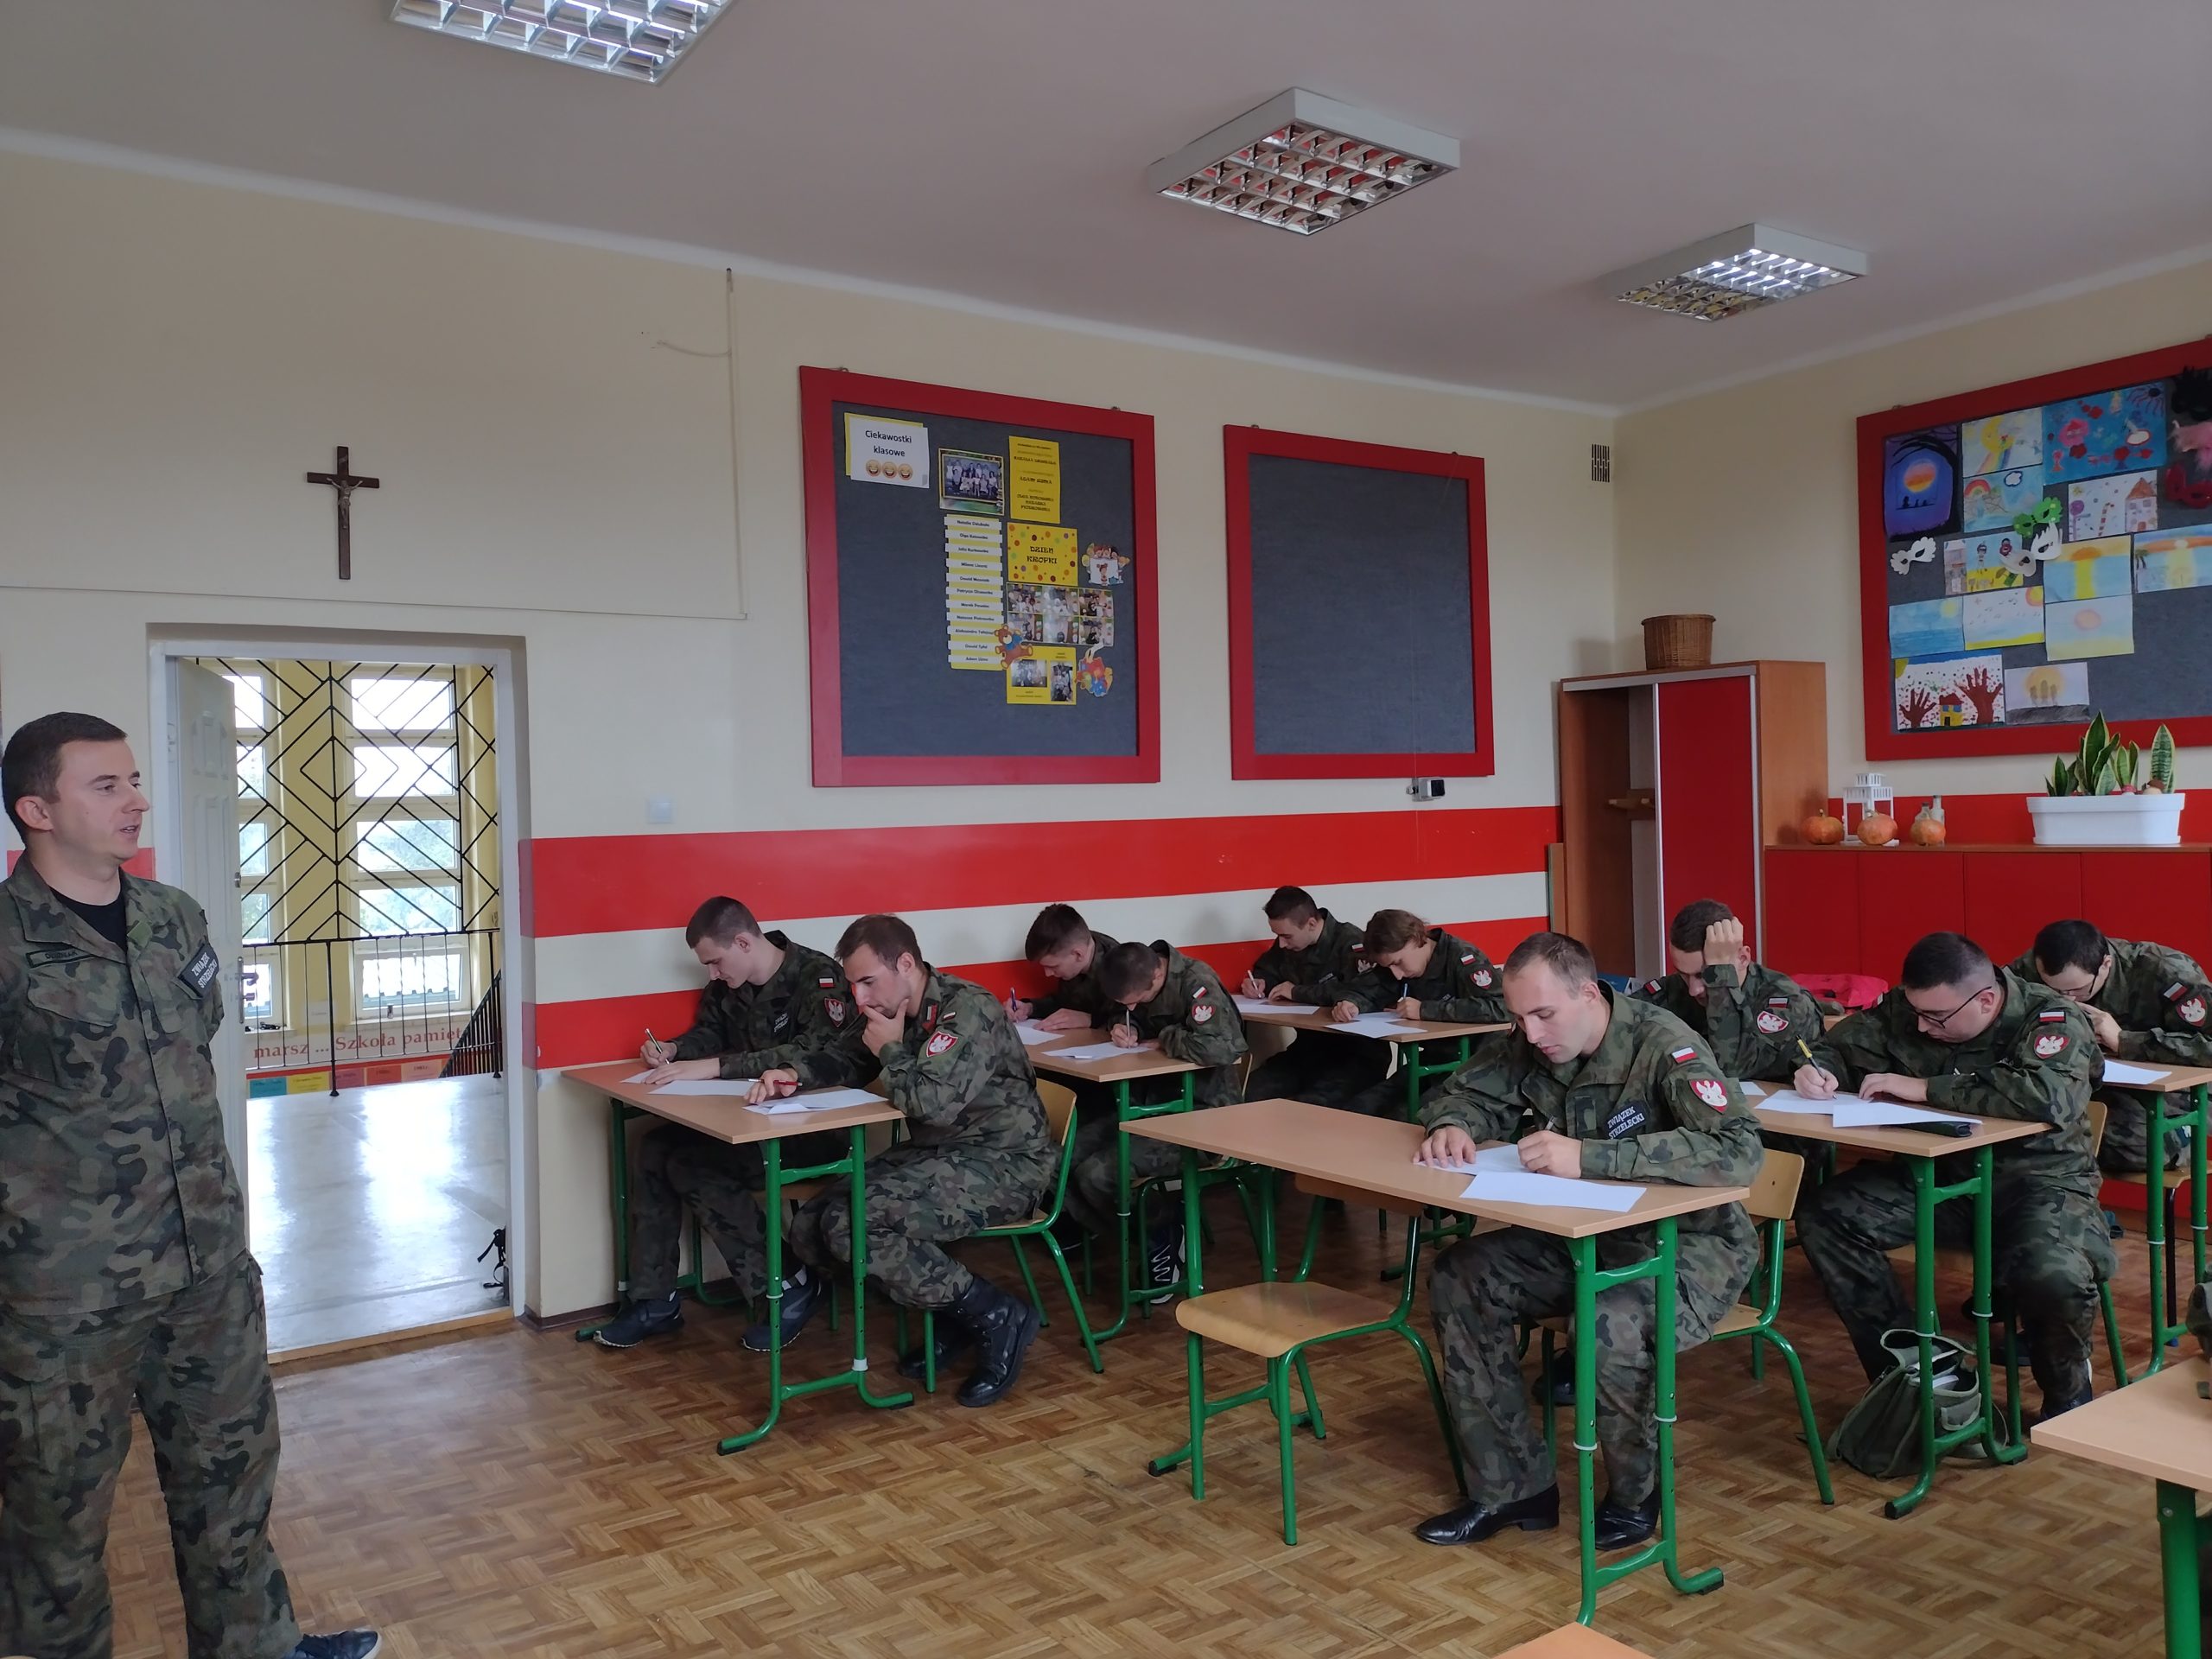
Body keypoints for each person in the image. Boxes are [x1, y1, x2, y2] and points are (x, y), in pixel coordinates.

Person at [0, 712, 378, 1659]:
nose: (136, 800)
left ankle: (259, 1647)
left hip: (207, 1269)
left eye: (134, 780)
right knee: (54, 1528)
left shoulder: (174, 918)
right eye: (107, 786)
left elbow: (192, 1047)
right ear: (37, 810)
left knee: (233, 1485)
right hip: (66, 1298)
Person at [1411, 931, 1761, 1551]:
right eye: (1520, 1017)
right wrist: (1453, 1124)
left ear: (1589, 994)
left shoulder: (1664, 1045)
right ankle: (1512, 1488)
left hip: (1687, 1247)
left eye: (1544, 1014)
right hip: (1583, 1234)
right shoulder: (1535, 1038)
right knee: (1461, 1274)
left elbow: (1738, 1152)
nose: (1531, 1031)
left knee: (1607, 1322)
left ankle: (1635, 1495)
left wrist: (1591, 1157)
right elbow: (1463, 1092)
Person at [1793, 931, 2113, 1418]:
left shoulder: (2051, 1018)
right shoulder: (1915, 1008)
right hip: (1942, 1178)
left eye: (1937, 1018)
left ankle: (2067, 1393)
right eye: (1917, 1013)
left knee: (2052, 1272)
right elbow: (1836, 1045)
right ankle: (1919, 1375)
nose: (1922, 1026)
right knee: (1828, 1215)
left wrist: (1925, 1088)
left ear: (1985, 1000)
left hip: (2041, 1183)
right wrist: (1818, 1069)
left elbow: (2048, 1097)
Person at [754, 914, 1056, 1408]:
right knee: (812, 1223)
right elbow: (848, 1057)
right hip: (942, 1153)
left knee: (854, 1224)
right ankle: (953, 1312)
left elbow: (932, 1104)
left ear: (907, 965)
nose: (860, 998)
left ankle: (996, 1314)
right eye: (853, 985)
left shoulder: (968, 1010)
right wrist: (793, 1074)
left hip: (1006, 1163)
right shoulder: (892, 1007)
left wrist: (893, 1051)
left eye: (868, 982)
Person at [592, 897, 867, 1351]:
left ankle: (787, 1284)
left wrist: (716, 1067)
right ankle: (654, 1300)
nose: (713, 973)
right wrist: (675, 1050)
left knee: (693, 1164)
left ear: (743, 942)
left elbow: (814, 1053)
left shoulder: (817, 976)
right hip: (750, 1120)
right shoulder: (728, 983)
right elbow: (711, 1032)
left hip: (811, 1130)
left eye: (715, 961)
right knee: (655, 1148)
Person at [1062, 939, 1249, 1287]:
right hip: (1152, 1106)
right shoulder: (1132, 975)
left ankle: (1161, 1233)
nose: (1132, 1006)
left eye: (1137, 1000)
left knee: (1098, 1174)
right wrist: (1123, 1026)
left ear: (1158, 975)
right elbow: (1121, 1011)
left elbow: (1223, 1047)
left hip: (1205, 1115)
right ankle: (1147, 1236)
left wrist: (1166, 1036)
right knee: (1062, 1161)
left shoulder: (1195, 982)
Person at [2011, 918, 2212, 1173]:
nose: (2066, 1000)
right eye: (2053, 991)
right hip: (2079, 1086)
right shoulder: (2033, 966)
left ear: (2106, 964)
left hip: (2173, 1096)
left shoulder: (2164, 972)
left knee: (2127, 1142)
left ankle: (2181, 1136)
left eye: (2076, 990)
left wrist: (2125, 1040)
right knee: (2026, 1129)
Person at [1329, 909, 1508, 1117]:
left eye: (1398, 963)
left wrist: (1425, 1010)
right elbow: (1365, 987)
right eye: (1389, 966)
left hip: (1473, 1065)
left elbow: (1501, 1007)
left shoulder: (1462, 957)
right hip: (1432, 1060)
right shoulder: (1396, 960)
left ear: (1415, 939)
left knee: (1405, 1117)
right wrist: (1350, 1002)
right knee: (1360, 1108)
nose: (1396, 975)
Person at [1635, 899, 1824, 1082]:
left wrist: (1720, 975)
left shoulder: (1785, 1001)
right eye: (1683, 974)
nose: (1693, 989)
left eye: (1704, 975)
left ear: (1742, 959)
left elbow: (1731, 1069)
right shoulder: (1672, 991)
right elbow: (1623, 1022)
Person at [1239, 886, 1388, 1109]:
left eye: (1286, 936)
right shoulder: (1289, 943)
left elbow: (1357, 990)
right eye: (1278, 936)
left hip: (1356, 1054)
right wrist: (1259, 982)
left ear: (1310, 924)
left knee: (1311, 1106)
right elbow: (1268, 968)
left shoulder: (1352, 943)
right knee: (1249, 1091)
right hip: (1308, 1050)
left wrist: (1296, 992)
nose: (1281, 943)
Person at [1005, 903, 1120, 1033]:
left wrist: (1090, 1020)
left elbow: (1132, 1019)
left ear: (1078, 954)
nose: (1048, 974)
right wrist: (1030, 1008)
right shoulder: (1069, 946)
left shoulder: (1120, 966)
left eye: (1053, 966)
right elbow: (1063, 1003)